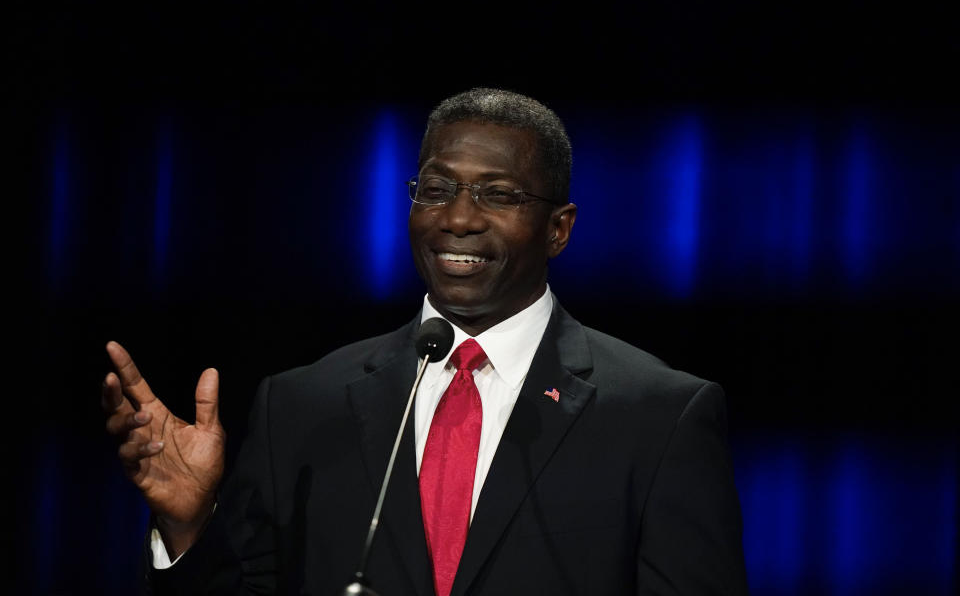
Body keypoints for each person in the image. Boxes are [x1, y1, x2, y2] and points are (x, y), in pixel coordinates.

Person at [102, 88, 749, 595]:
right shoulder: (300, 408)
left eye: (498, 194)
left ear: (559, 229)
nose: (459, 218)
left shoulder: (659, 417)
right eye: (436, 190)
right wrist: (188, 528)